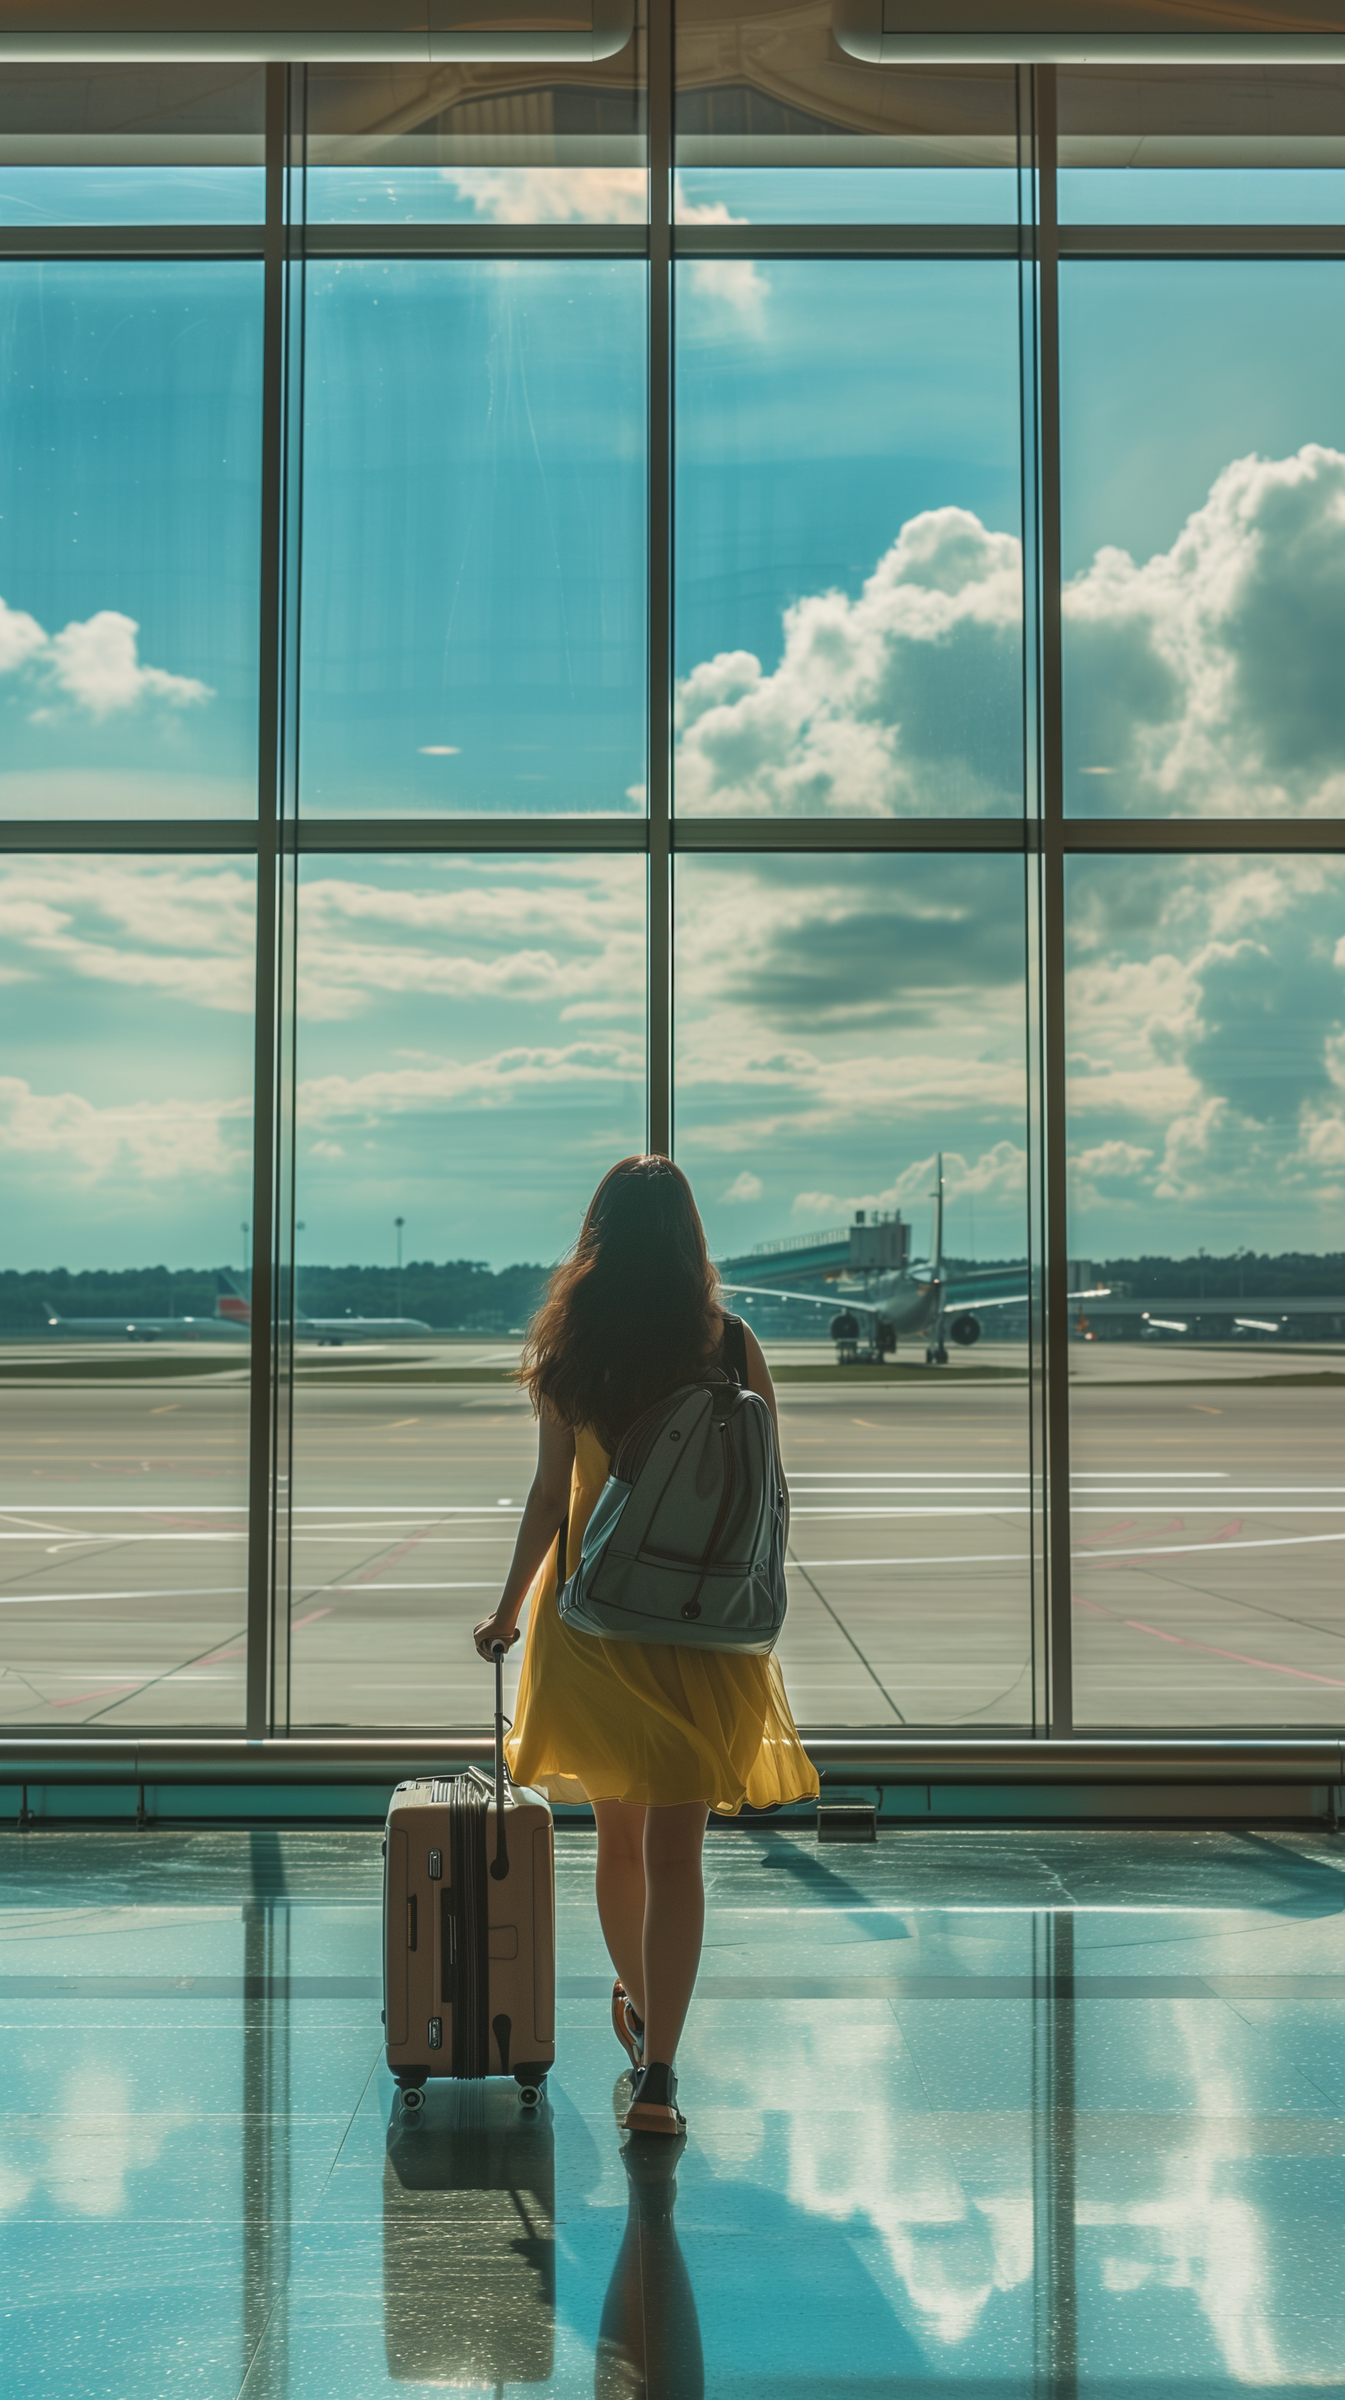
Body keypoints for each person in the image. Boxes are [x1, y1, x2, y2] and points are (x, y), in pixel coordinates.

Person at [473, 1155, 819, 2137]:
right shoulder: (731, 1344)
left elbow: (550, 1497)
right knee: (679, 1853)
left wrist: (505, 1612)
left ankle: (636, 2002)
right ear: (689, 1241)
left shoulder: (571, 1350)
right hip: (705, 1630)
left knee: (617, 1845)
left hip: (594, 1622)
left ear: (597, 1240)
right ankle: (661, 2072)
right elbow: (767, 1485)